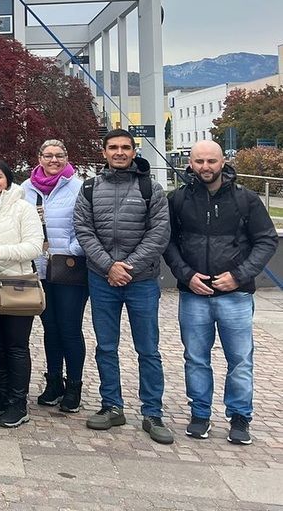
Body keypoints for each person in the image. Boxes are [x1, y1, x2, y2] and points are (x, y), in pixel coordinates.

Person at [164, 140, 279, 445]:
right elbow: (168, 242)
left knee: (240, 360)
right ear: (190, 163)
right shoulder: (178, 199)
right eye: (199, 161)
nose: (206, 167)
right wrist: (186, 275)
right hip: (194, 294)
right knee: (195, 358)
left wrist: (239, 276)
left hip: (235, 296)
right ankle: (200, 414)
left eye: (211, 161)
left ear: (223, 162)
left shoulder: (246, 199)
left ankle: (240, 417)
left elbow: (266, 240)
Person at [73, 128, 173, 444]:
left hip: (141, 280)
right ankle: (112, 405)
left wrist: (127, 267)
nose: (119, 152)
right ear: (104, 152)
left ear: (134, 151)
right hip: (102, 279)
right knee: (106, 346)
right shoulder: (90, 188)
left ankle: (152, 412)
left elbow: (159, 233)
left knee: (148, 349)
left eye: (125, 147)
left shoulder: (151, 188)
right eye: (113, 147)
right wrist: (109, 266)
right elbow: (83, 230)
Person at [0, 160, 44, 427]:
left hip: (15, 285)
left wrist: (1, 252)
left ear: (8, 179)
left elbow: (35, 247)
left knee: (16, 347)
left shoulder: (23, 208)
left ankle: (18, 402)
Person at [21, 139, 86, 413]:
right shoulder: (26, 188)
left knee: (69, 328)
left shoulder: (78, 187)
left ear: (66, 158)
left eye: (59, 155)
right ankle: (54, 381)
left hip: (69, 267)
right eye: (48, 155)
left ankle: (74, 385)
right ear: (39, 158)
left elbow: (87, 224)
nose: (53, 160)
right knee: (50, 327)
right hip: (40, 268)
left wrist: (71, 249)